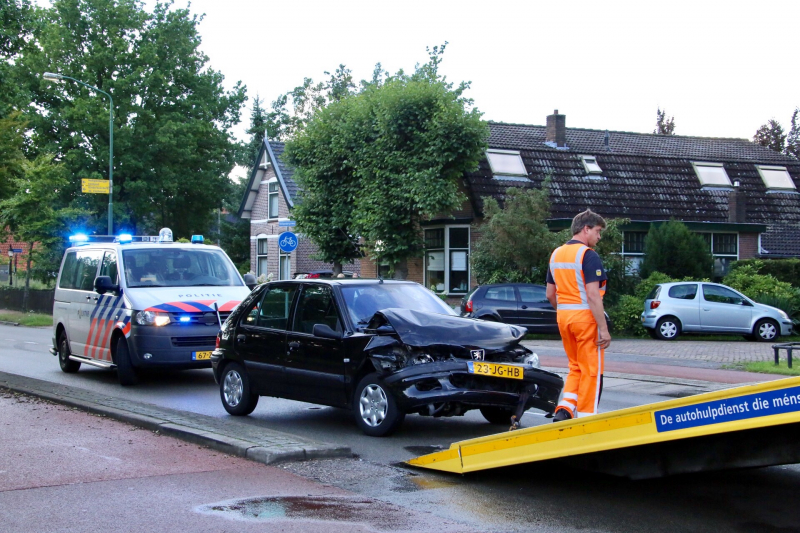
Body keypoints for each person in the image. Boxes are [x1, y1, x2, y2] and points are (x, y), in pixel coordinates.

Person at [546, 209, 611, 422]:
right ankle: (586, 418)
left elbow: (550, 294)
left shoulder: (556, 254)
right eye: (598, 231)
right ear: (586, 229)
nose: (599, 237)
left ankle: (564, 409)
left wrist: (565, 312)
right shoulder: (588, 256)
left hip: (564, 319)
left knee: (575, 367)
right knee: (592, 370)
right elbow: (593, 295)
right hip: (585, 321)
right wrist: (603, 329)